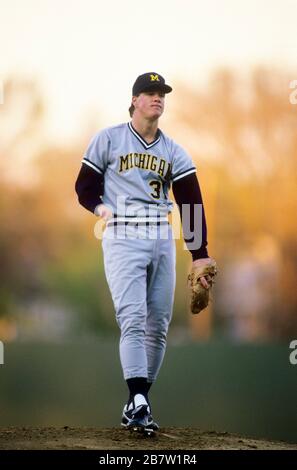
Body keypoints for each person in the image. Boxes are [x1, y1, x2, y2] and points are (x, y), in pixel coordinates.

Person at [75, 72, 214, 433]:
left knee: (160, 325)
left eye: (162, 93)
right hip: (123, 234)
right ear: (135, 100)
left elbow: (191, 204)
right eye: (150, 93)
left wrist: (199, 253)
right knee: (133, 318)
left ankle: (138, 402)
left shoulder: (174, 150)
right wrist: (98, 206)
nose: (158, 98)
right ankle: (139, 402)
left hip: (162, 237)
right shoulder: (109, 139)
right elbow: (84, 186)